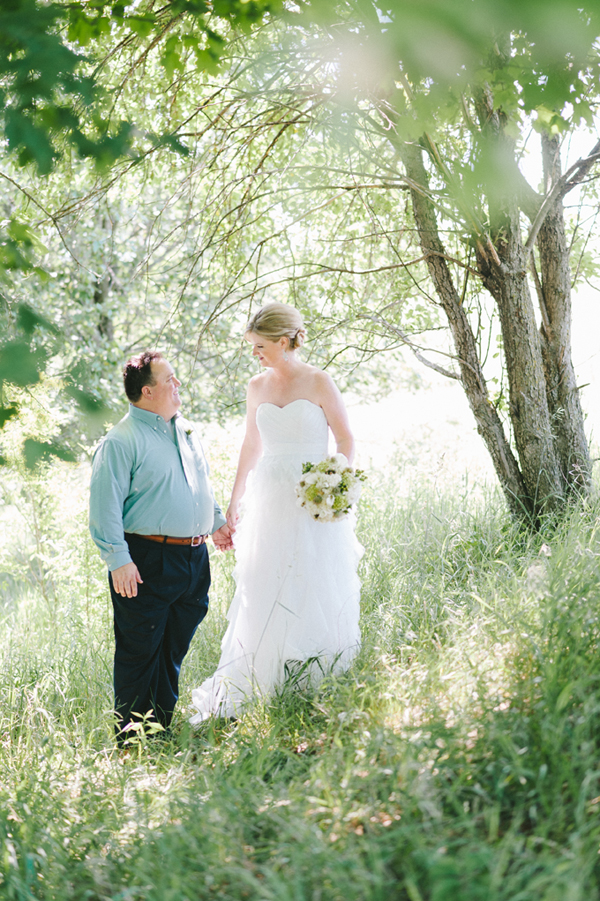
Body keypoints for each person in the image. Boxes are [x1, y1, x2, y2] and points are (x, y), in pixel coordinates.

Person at [189, 303, 362, 723]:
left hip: (312, 501)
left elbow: (346, 440)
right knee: (265, 584)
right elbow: (251, 446)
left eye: (260, 346)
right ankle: (264, 677)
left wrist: (332, 486)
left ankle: (315, 678)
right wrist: (233, 503)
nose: (256, 354)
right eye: (253, 347)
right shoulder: (255, 387)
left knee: (312, 582)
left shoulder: (319, 381)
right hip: (268, 500)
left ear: (285, 342)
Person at [89, 351, 233, 744]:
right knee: (140, 652)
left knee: (171, 650)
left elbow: (200, 484)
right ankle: (132, 743)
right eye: (170, 379)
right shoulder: (121, 441)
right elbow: (104, 507)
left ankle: (160, 730)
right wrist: (119, 560)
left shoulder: (186, 431)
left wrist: (216, 522)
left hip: (193, 558)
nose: (178, 384)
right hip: (146, 560)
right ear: (148, 391)